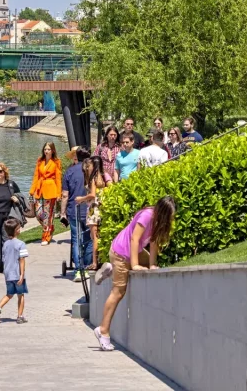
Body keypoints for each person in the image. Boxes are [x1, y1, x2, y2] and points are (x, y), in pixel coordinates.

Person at [94, 196, 176, 351]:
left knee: (147, 269)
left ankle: (112, 269)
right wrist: (135, 264)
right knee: (118, 292)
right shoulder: (147, 216)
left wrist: (151, 265)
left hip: (131, 253)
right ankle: (103, 331)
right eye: (170, 215)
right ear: (163, 212)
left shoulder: (157, 220)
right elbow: (134, 239)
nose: (171, 219)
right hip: (120, 253)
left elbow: (153, 243)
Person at [60, 146, 92, 281]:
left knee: (76, 240)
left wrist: (62, 213)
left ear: (76, 157)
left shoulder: (69, 172)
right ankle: (87, 267)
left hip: (74, 210)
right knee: (89, 239)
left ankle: (78, 270)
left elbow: (65, 195)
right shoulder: (91, 171)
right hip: (90, 210)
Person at [0, 218, 29, 325]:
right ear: (17, 230)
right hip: (17, 274)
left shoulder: (6, 244)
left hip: (8, 274)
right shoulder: (21, 244)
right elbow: (21, 260)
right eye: (19, 227)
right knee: (20, 295)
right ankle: (20, 316)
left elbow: (4, 259)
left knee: (9, 294)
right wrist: (22, 274)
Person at [78, 155, 111, 271]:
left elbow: (92, 194)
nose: (88, 167)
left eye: (90, 165)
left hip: (93, 208)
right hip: (102, 207)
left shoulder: (93, 178)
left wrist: (81, 199)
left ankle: (94, 262)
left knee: (94, 236)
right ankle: (101, 259)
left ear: (94, 165)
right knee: (100, 235)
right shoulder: (103, 176)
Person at [29, 142, 62, 245]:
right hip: (40, 189)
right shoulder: (40, 161)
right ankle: (50, 227)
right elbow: (36, 176)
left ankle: (45, 237)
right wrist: (32, 190)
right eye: (45, 149)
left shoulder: (56, 162)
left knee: (48, 214)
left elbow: (58, 178)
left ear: (52, 151)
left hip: (51, 189)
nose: (46, 151)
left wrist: (58, 193)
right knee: (39, 214)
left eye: (48, 149)